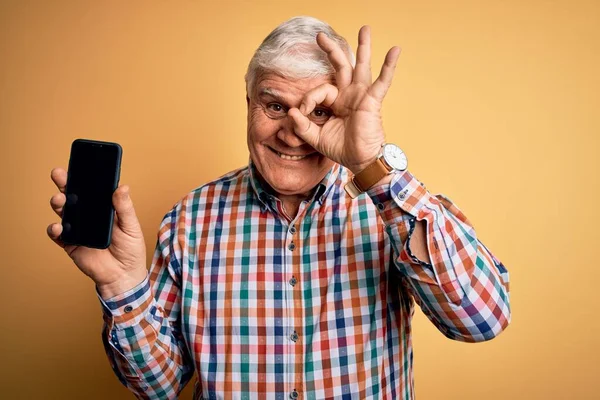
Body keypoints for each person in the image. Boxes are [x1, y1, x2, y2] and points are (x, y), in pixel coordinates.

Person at [47, 16, 511, 400]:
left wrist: (373, 165)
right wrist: (121, 285)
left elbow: (482, 320)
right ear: (248, 103)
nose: (293, 133)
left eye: (319, 113)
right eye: (274, 106)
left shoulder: (391, 208)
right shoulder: (190, 220)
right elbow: (159, 386)